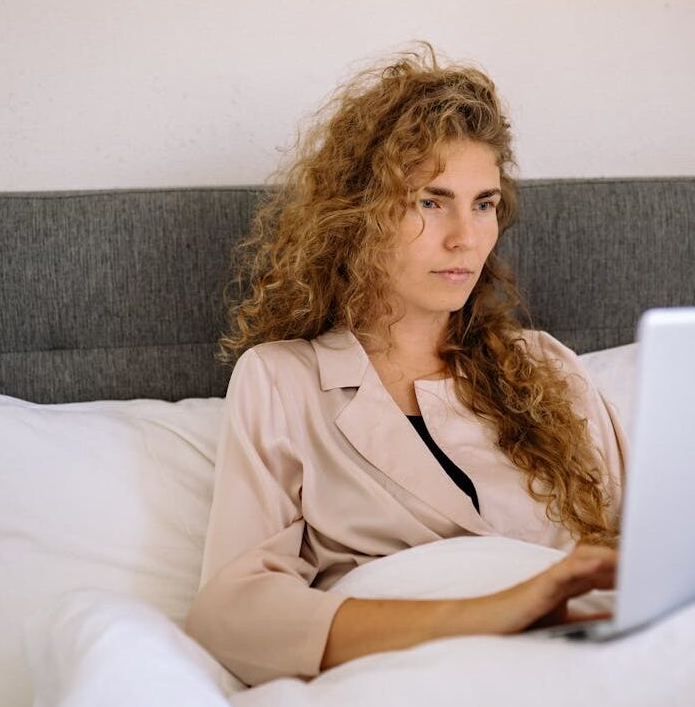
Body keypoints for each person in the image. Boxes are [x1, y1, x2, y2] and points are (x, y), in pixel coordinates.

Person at [184, 43, 626, 687]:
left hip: (586, 666)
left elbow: (647, 547)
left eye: (484, 203)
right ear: (358, 215)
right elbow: (233, 615)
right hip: (419, 677)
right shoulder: (282, 380)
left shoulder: (545, 366)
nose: (465, 237)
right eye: (430, 201)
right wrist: (492, 613)